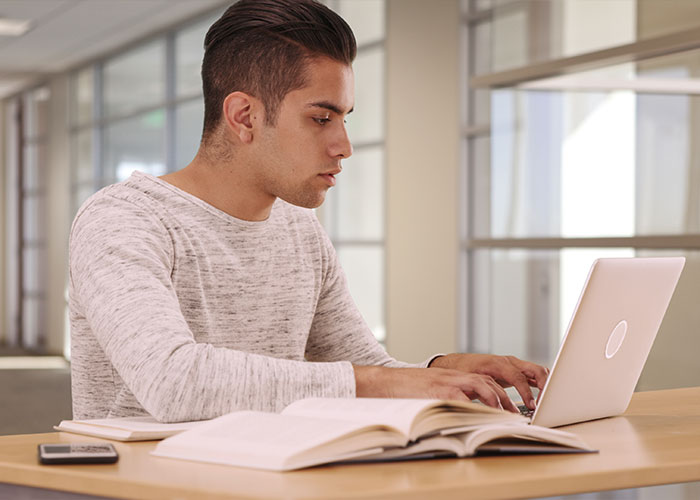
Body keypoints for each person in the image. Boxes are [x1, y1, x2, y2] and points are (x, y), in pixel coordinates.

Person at [69, 0, 548, 423]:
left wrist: (441, 372)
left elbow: (360, 367)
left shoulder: (299, 229)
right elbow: (173, 381)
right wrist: (386, 383)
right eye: (321, 119)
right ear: (244, 117)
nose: (343, 146)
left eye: (343, 119)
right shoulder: (123, 220)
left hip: (271, 477)